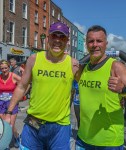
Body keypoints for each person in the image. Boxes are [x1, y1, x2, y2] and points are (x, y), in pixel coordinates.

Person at [4, 22, 79, 150]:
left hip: (60, 127)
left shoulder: (73, 64)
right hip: (34, 124)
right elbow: (22, 86)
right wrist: (9, 112)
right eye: (54, 35)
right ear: (48, 38)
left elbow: (89, 88)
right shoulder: (34, 59)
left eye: (62, 37)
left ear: (67, 40)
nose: (57, 40)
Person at [75, 25, 126, 150]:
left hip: (109, 142)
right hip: (83, 139)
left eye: (99, 41)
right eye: (91, 41)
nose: (95, 44)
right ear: (86, 44)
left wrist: (123, 89)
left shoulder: (115, 66)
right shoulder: (82, 69)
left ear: (106, 44)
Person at [0, 60, 21, 148]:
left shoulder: (13, 76)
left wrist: (20, 95)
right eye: (2, 69)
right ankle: (6, 144)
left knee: (10, 125)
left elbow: (25, 85)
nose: (4, 70)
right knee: (3, 125)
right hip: (1, 103)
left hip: (12, 104)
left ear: (9, 68)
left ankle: (16, 137)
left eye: (6, 68)